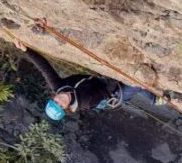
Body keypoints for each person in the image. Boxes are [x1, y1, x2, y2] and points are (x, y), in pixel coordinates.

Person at [13, 39, 155, 121]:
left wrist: (26, 50)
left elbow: (44, 68)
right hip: (113, 93)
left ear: (53, 97)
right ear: (67, 108)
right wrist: (114, 74)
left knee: (132, 83)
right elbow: (107, 91)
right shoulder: (85, 101)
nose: (60, 100)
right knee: (138, 84)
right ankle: (154, 99)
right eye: (61, 106)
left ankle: (151, 98)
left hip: (97, 82)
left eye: (55, 101)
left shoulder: (58, 87)